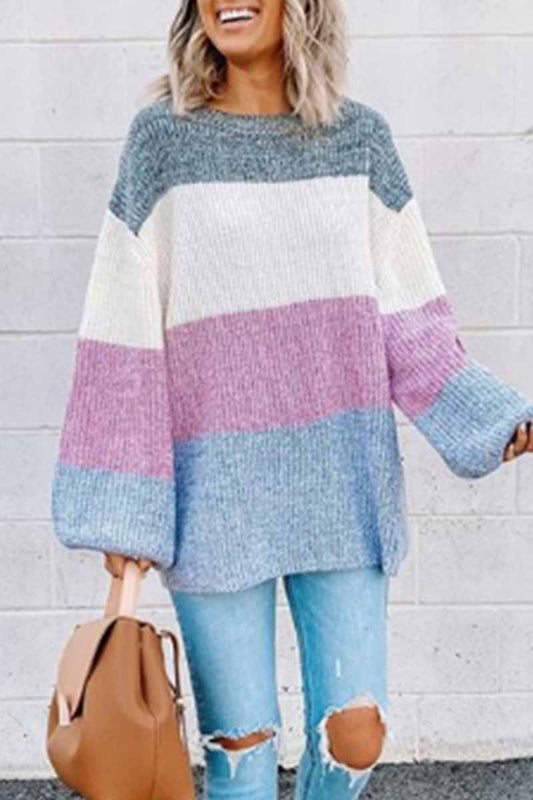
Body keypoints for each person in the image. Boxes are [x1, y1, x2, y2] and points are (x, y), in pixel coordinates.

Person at [51, 0, 533, 797]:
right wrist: (121, 508)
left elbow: (410, 320)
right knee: (239, 757)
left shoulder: (360, 141)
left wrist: (491, 420)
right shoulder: (161, 144)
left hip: (339, 484)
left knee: (354, 738)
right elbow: (121, 333)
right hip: (212, 497)